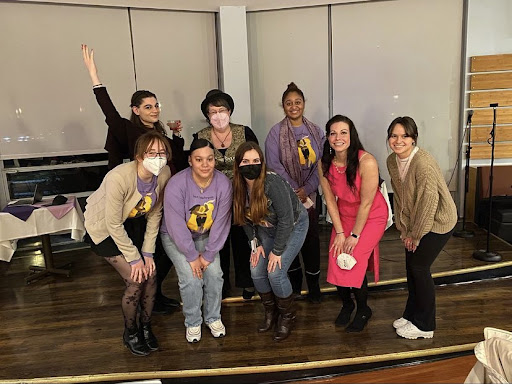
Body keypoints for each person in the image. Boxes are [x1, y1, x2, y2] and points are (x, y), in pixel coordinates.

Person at [81, 44, 186, 314]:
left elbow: (174, 161)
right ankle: (148, 297)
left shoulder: (160, 131)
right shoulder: (130, 130)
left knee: (164, 252)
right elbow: (109, 113)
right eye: (148, 106)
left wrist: (177, 137)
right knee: (145, 252)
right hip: (139, 202)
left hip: (164, 196)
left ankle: (156, 293)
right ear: (136, 110)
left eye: (156, 105)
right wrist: (95, 78)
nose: (155, 110)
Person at [84, 131, 171, 356]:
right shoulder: (119, 177)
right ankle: (130, 332)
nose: (158, 157)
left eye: (162, 153)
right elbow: (112, 224)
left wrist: (148, 253)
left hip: (131, 225)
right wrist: (135, 259)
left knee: (151, 274)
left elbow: (155, 214)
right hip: (103, 228)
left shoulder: (163, 174)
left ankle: (146, 326)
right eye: (152, 153)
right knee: (136, 279)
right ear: (140, 156)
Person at [386, 116, 457, 340]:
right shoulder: (391, 161)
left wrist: (415, 236)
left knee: (419, 267)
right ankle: (411, 314)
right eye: (394, 136)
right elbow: (400, 199)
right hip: (415, 222)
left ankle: (425, 325)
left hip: (439, 220)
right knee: (410, 267)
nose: (399, 141)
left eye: (405, 136)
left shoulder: (423, 163)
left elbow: (428, 203)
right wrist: (404, 230)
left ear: (414, 139)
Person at [232, 142, 309, 341]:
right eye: (246, 161)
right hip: (264, 229)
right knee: (256, 270)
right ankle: (271, 312)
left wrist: (277, 251)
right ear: (238, 164)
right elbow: (244, 219)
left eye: (256, 161)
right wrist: (254, 244)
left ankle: (287, 316)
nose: (251, 165)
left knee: (275, 272)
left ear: (262, 163)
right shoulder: (237, 186)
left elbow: (286, 219)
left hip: (293, 225)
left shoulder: (272, 182)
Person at [319, 115, 388, 332]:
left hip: (372, 216)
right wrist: (340, 232)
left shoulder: (366, 161)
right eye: (333, 133)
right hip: (345, 215)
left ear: (352, 136)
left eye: (343, 132)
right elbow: (330, 200)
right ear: (328, 137)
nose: (337, 137)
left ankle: (363, 309)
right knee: (336, 257)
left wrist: (354, 236)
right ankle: (347, 305)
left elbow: (367, 203)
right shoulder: (324, 164)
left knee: (352, 259)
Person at [160, 139, 232, 343]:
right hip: (176, 236)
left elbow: (221, 222)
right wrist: (192, 256)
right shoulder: (176, 183)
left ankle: (213, 317)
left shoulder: (223, 184)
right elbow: (174, 224)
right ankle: (192, 322)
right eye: (199, 159)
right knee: (191, 278)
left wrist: (208, 255)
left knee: (215, 274)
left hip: (207, 235)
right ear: (190, 160)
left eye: (209, 159)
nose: (205, 164)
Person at [194, 89, 259, 299]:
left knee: (243, 239)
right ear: (207, 115)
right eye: (213, 111)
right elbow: (195, 164)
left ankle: (247, 282)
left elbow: (256, 160)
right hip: (212, 198)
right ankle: (220, 285)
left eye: (222, 110)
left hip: (242, 195)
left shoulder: (244, 132)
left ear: (229, 111)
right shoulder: (201, 136)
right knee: (217, 242)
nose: (218, 115)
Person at [265, 82, 324, 303]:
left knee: (311, 239)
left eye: (297, 102)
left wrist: (307, 190)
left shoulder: (316, 131)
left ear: (304, 104)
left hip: (310, 195)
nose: (293, 106)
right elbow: (273, 165)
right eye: (288, 103)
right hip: (285, 197)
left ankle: (315, 286)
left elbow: (322, 165)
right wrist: (293, 191)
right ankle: (295, 283)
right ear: (283, 106)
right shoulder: (275, 133)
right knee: (289, 239)